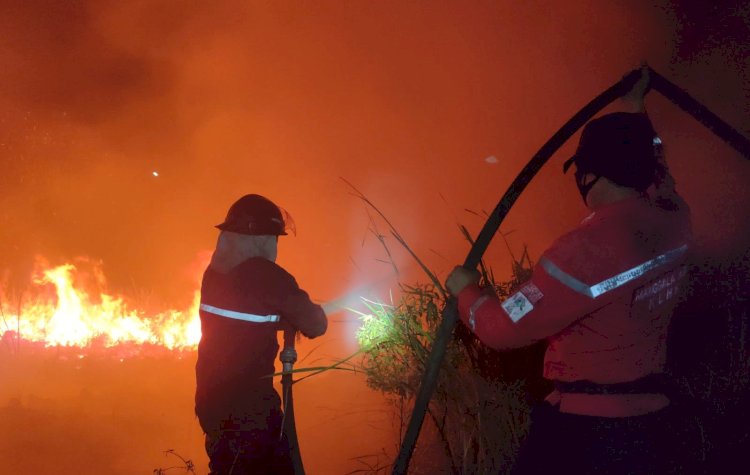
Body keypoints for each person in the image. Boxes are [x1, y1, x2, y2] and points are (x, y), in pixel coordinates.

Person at [445, 69, 697, 474]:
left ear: (586, 174)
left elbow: (504, 329)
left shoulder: (583, 251)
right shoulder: (673, 217)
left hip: (589, 434)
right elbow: (658, 171)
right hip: (652, 425)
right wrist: (635, 110)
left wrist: (467, 292)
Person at [195, 194, 327, 475]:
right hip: (251, 412)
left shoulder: (213, 275)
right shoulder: (268, 276)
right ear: (263, 237)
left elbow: (244, 313)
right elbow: (316, 324)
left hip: (212, 406)